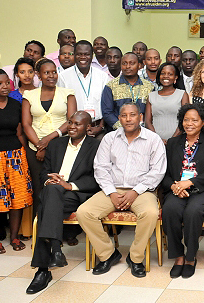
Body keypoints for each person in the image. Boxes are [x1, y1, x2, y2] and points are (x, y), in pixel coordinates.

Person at [76, 103, 166, 278]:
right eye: (124, 116)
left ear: (140, 117)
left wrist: (135, 191)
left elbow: (158, 171)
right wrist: (111, 192)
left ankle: (136, 258)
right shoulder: (109, 139)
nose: (128, 119)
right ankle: (108, 254)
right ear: (119, 119)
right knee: (84, 212)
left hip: (142, 191)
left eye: (132, 115)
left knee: (150, 213)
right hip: (113, 189)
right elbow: (100, 168)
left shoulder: (153, 139)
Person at [26, 111, 100, 294]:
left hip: (76, 195)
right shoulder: (56, 144)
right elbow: (44, 171)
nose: (72, 127)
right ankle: (55, 254)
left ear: (88, 127)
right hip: (54, 193)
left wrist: (69, 185)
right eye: (70, 122)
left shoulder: (96, 146)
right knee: (51, 192)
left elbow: (98, 178)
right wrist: (49, 180)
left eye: (78, 124)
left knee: (45, 207)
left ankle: (45, 268)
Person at [162, 104, 204, 278]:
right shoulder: (173, 142)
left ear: (203, 122)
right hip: (177, 189)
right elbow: (164, 173)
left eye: (194, 120)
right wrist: (174, 186)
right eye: (186, 120)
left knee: (193, 211)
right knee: (170, 210)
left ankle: (190, 257)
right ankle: (178, 256)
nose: (189, 123)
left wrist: (189, 182)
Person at [0, 69, 32, 255]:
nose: (5, 86)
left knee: (17, 198)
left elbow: (19, 132)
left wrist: (24, 154)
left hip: (15, 156)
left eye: (7, 82)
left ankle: (14, 236)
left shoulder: (14, 104)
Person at [22, 58, 77, 220]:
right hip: (36, 149)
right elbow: (26, 124)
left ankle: (66, 231)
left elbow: (71, 121)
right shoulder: (29, 95)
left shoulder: (68, 94)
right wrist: (40, 146)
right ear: (38, 75)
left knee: (62, 185)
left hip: (62, 146)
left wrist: (48, 139)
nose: (52, 76)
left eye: (54, 72)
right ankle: (40, 228)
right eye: (47, 73)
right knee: (40, 187)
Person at [58, 41, 110, 138]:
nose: (83, 57)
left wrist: (100, 127)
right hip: (73, 130)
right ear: (74, 55)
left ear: (92, 55)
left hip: (97, 129)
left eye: (86, 54)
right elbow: (62, 105)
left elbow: (107, 104)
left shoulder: (103, 76)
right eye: (79, 54)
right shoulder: (63, 77)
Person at [100, 52, 154, 132]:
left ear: (139, 66)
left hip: (143, 133)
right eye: (124, 63)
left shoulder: (149, 87)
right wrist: (123, 128)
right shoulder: (111, 86)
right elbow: (107, 112)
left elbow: (151, 113)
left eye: (132, 63)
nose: (128, 66)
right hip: (117, 133)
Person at [145, 62, 188, 142]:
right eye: (163, 73)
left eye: (170, 74)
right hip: (155, 142)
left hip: (178, 141)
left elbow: (185, 120)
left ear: (176, 77)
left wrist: (172, 140)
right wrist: (158, 140)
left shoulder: (182, 94)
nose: (166, 76)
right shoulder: (151, 96)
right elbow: (147, 122)